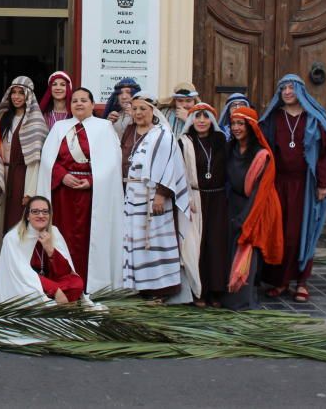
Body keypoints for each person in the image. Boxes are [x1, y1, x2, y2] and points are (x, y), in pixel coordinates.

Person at [260, 74, 326, 303]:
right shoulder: (273, 118)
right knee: (279, 233)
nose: (287, 92)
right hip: (278, 184)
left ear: (301, 91)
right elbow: (261, 149)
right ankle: (280, 281)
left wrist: (323, 184)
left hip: (305, 185)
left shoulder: (314, 118)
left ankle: (301, 282)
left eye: (291, 87)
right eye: (283, 88)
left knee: (302, 233)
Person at [35, 87, 124, 292]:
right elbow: (49, 160)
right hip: (63, 194)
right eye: (75, 100)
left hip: (93, 195)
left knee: (89, 240)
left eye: (84, 100)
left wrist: (93, 181)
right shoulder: (59, 128)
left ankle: (91, 284)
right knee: (63, 236)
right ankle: (63, 280)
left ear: (93, 104)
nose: (79, 104)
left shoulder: (104, 127)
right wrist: (62, 176)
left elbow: (112, 162)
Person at [120, 94, 193, 300]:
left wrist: (161, 195)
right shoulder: (129, 131)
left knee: (154, 243)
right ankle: (140, 287)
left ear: (153, 111)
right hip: (132, 196)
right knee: (136, 243)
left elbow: (170, 165)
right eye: (134, 109)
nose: (138, 113)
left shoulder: (162, 134)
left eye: (143, 108)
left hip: (154, 198)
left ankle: (161, 289)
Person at [223, 107, 283, 311]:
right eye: (234, 124)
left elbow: (260, 191)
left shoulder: (261, 156)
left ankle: (243, 300)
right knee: (229, 249)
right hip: (233, 203)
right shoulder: (230, 148)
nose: (237, 128)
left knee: (248, 249)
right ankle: (228, 296)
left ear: (251, 126)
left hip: (255, 207)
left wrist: (245, 217)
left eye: (241, 124)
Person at [0, 196, 84, 305]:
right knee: (29, 293)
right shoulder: (13, 238)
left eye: (45, 212)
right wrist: (55, 290)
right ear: (27, 216)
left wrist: (50, 250)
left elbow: (65, 272)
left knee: (76, 282)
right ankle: (56, 303)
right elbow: (21, 273)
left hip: (48, 283)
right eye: (35, 212)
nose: (41, 215)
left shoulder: (54, 232)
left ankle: (56, 302)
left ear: (49, 215)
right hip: (22, 284)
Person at [180, 103, 229, 307]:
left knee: (216, 245)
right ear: (191, 120)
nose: (201, 121)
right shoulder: (184, 142)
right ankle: (198, 291)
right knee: (195, 245)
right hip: (194, 199)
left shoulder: (220, 141)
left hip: (217, 199)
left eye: (205, 117)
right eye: (197, 117)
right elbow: (179, 171)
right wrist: (186, 197)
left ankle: (216, 291)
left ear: (212, 120)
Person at [0, 76, 49, 236]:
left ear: (28, 96)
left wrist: (29, 192)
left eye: (21, 93)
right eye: (14, 92)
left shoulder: (36, 122)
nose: (16, 97)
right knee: (0, 218)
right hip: (3, 173)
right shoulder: (3, 118)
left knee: (17, 218)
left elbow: (35, 160)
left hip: (22, 176)